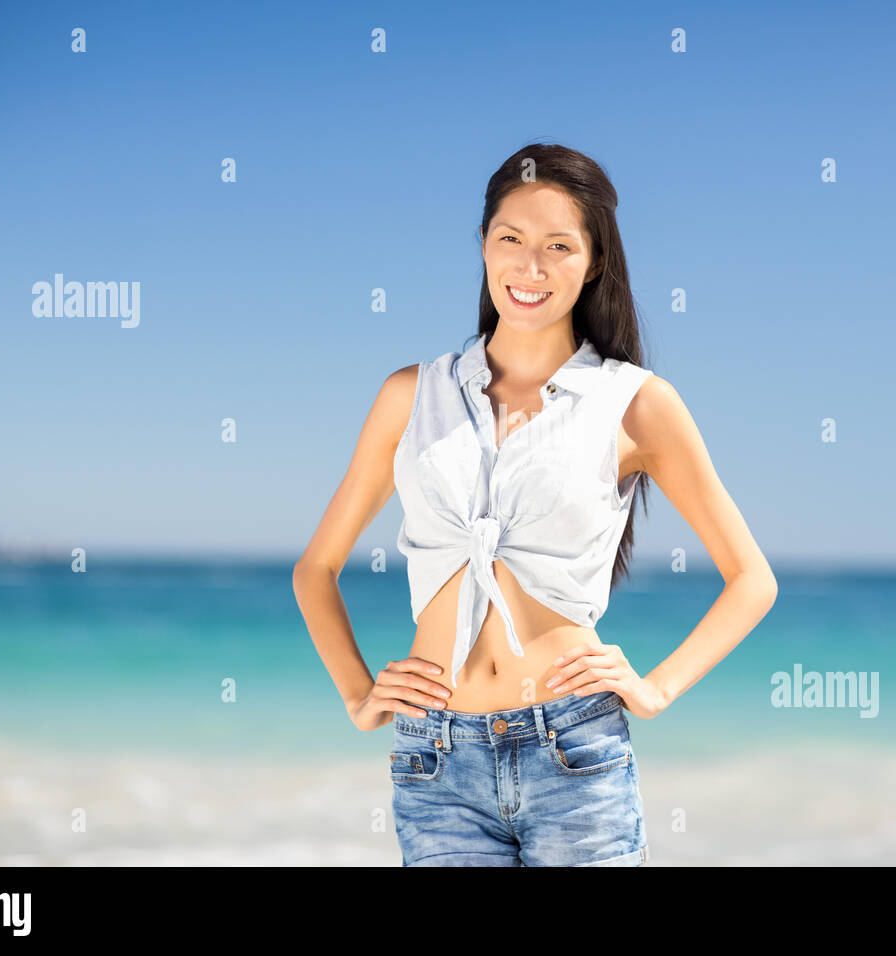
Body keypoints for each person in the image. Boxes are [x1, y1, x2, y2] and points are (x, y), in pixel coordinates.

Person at [293, 143, 778, 866]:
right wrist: (360, 695)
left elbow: (752, 579)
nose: (531, 267)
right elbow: (316, 569)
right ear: (484, 247)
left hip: (574, 752)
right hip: (435, 760)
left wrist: (652, 689)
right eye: (511, 240)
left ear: (594, 263)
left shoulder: (635, 404)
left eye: (559, 247)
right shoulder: (410, 396)